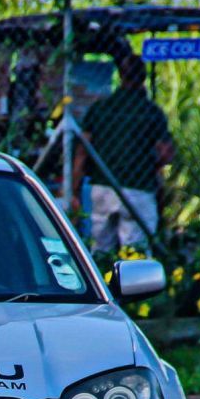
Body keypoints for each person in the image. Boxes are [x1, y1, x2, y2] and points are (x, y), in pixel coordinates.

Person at [72, 54, 174, 252]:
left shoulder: (101, 108)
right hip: (138, 187)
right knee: (134, 249)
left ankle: (102, 278)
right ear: (143, 77)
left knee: (100, 247)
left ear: (120, 75)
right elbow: (165, 154)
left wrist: (75, 188)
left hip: (102, 185)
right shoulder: (150, 111)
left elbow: (82, 150)